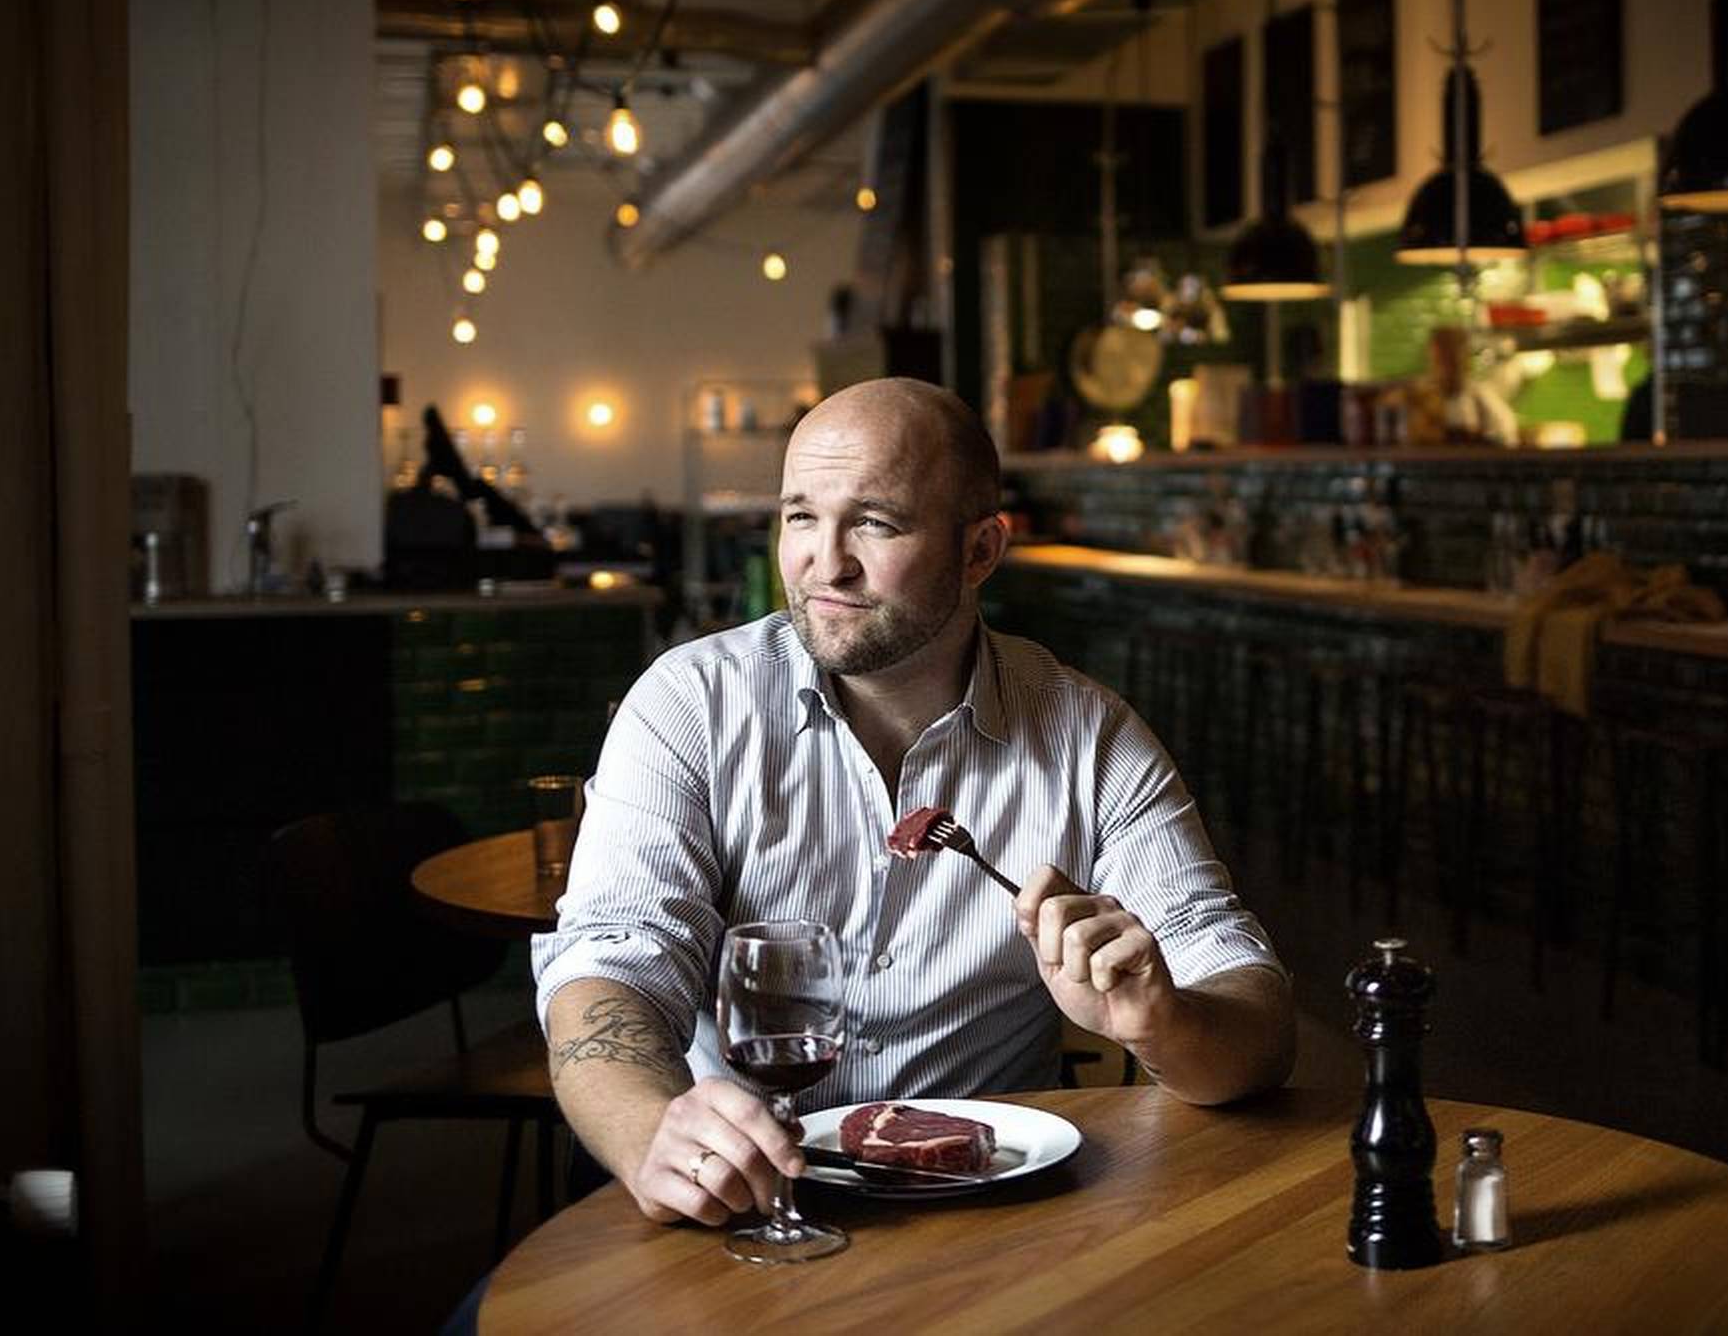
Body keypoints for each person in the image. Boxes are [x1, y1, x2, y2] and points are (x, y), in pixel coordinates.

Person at [533, 377, 1293, 1227]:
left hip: (992, 1221)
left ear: (980, 552)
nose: (826, 562)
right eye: (799, 517)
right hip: (740, 1203)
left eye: (874, 522)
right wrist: (650, 1131)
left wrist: (1165, 1021)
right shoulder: (689, 705)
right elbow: (610, 967)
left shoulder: (1088, 736)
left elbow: (1254, 1016)